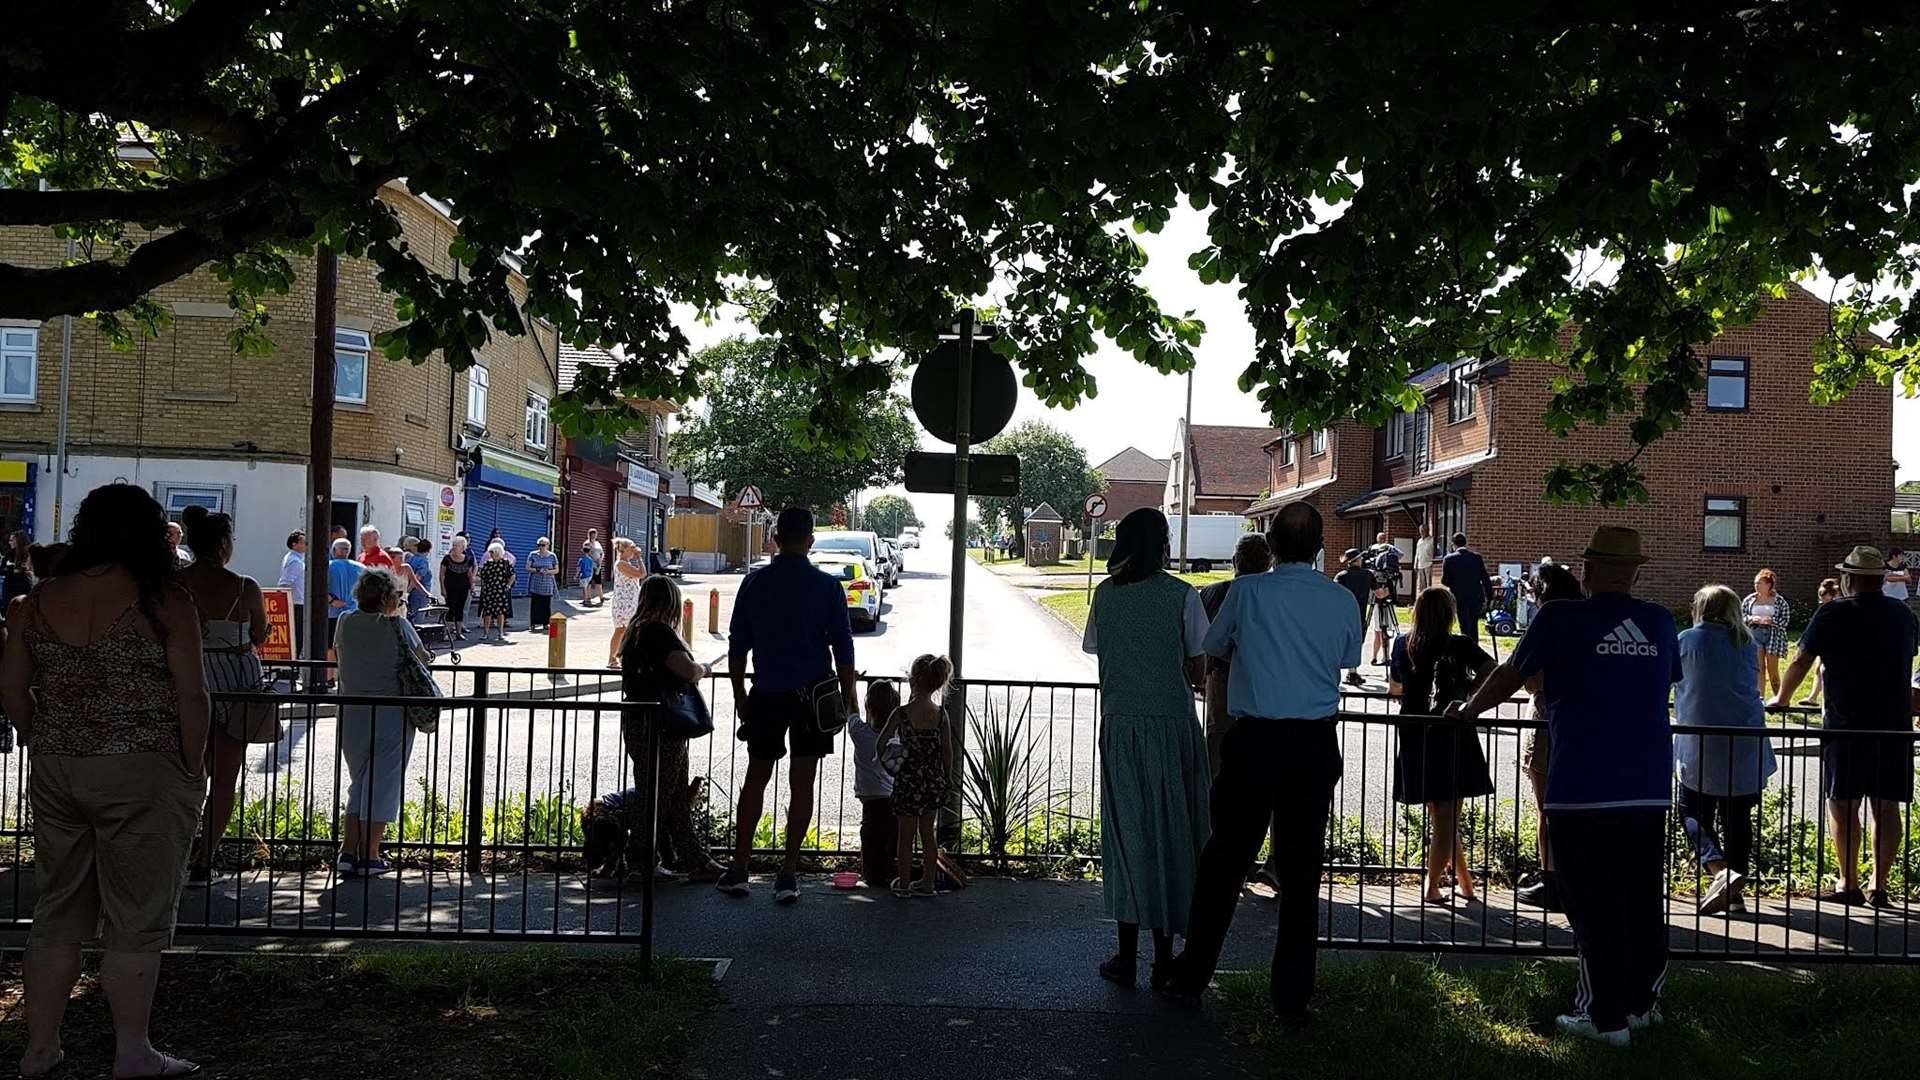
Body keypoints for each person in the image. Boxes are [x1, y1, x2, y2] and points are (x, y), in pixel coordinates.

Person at [0, 483, 208, 1080]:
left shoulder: (33, 604)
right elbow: (192, 695)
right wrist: (191, 766)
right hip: (145, 769)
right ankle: (132, 1051)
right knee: (136, 916)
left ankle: (39, 1049)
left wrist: (44, 735)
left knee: (58, 909)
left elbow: (12, 690)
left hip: (61, 768)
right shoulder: (164, 601)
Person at [1450, 526, 1679, 1047]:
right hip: (1646, 785)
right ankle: (1642, 1004)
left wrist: (1468, 711)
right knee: (1642, 899)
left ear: (1590, 569)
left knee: (1590, 903)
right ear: (1637, 571)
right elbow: (1664, 680)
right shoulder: (1659, 621)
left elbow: (1512, 673)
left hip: (1581, 784)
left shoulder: (1559, 618)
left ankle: (1604, 1017)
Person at [1162, 503, 1360, 1016]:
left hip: (1254, 739)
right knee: (1300, 872)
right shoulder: (1340, 599)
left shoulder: (1247, 592)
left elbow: (1214, 643)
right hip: (1313, 743)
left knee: (1224, 860)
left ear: (1270, 544)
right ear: (1320, 547)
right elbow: (1347, 659)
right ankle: (1292, 995)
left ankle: (1193, 974)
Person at [1083, 508, 1211, 986]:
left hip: (1121, 727)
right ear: (1161, 545)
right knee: (1173, 836)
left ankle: (1126, 955)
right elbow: (1196, 669)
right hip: (1173, 726)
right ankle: (1165, 955)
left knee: (1127, 836)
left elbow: (1098, 648)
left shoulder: (1105, 596)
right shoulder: (1182, 596)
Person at [720, 506, 859, 903]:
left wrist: (740, 696)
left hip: (766, 693)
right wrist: (847, 700)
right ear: (810, 541)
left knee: (756, 779)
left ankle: (741, 867)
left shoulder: (754, 583)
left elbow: (737, 646)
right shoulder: (828, 587)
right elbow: (844, 650)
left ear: (775, 539)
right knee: (803, 784)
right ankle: (787, 873)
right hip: (812, 699)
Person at [1770, 546, 1920, 908]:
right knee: (1886, 808)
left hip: (1845, 722)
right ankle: (1879, 886)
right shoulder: (1903, 615)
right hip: (1894, 723)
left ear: (1848, 579)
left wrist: (1782, 699)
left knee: (1843, 804)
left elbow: (1802, 659)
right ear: (1881, 579)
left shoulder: (1832, 613)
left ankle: (1847, 882)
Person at [177, 505, 270, 887]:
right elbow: (260, 635)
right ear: (222, 545)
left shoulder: (176, 584)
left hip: (189, 678)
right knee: (225, 778)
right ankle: (205, 858)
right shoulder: (243, 586)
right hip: (235, 684)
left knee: (185, 773)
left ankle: (176, 852)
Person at [1675, 584, 1777, 916]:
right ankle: (1735, 897)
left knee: (1691, 810)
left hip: (1701, 739)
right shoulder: (1746, 642)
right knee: (1738, 818)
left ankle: (1719, 870)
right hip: (1745, 738)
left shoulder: (1686, 641)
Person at [1390, 586, 1496, 905]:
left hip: (1414, 730)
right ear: (1449, 614)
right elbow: (1492, 670)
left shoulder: (1402, 644)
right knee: (1449, 812)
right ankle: (1432, 885)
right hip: (1451, 729)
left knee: (1442, 813)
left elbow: (1396, 687)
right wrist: (1469, 693)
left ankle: (1465, 883)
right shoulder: (1460, 645)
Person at [618, 574, 726, 881]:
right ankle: (639, 861)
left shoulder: (635, 632)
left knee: (674, 793)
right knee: (657, 795)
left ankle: (692, 858)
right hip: (662, 725)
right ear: (672, 602)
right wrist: (704, 668)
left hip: (640, 721)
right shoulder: (658, 632)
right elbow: (686, 670)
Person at [329, 567, 428, 876]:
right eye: (397, 595)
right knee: (383, 784)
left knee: (359, 782)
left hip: (352, 713)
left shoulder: (345, 622)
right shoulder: (399, 626)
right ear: (387, 597)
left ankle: (348, 851)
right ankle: (370, 854)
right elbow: (422, 657)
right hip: (391, 713)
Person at [1514, 562, 1583, 912]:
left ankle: (1552, 880)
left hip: (1546, 720)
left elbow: (1527, 679)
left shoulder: (1546, 623)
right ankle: (1577, 880)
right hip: (1583, 724)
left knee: (1547, 809)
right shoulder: (1588, 622)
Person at [880, 654, 956, 899]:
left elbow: (881, 743)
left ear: (912, 679)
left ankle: (903, 884)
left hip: (908, 782)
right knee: (927, 833)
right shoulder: (941, 714)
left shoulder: (901, 714)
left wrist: (892, 760)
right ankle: (928, 882)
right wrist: (947, 776)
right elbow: (947, 750)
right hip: (933, 782)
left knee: (905, 835)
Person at [1199, 533, 1272, 773]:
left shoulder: (1210, 593)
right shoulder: (1273, 596)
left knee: (1218, 739)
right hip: (1263, 680)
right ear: (1269, 563)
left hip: (1220, 678)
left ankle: (1213, 798)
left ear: (1234, 560)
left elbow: (1202, 639)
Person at [848, 679, 901, 888]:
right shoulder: (896, 737)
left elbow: (852, 708)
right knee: (891, 837)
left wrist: (852, 684)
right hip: (893, 798)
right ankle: (890, 872)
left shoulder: (860, 734)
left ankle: (873, 874)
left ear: (869, 706)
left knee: (871, 838)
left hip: (870, 802)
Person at [1742, 569, 1792, 698]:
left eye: (1760, 583)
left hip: (1773, 636)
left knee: (1773, 671)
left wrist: (1772, 621)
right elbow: (1741, 617)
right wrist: (1752, 619)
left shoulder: (1779, 601)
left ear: (1769, 585)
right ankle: (1761, 699)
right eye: (1755, 583)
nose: (1756, 586)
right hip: (1755, 634)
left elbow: (1785, 621)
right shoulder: (1749, 599)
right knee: (1759, 669)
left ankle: (1780, 699)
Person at [1440, 532, 1491, 645]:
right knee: (1474, 624)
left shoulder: (1449, 559)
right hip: (1475, 596)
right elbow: (1485, 578)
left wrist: (1454, 584)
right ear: (1465, 543)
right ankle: (1474, 646)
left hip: (1459, 596)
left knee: (1464, 624)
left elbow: (1444, 580)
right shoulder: (1476, 558)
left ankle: (1467, 647)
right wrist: (1489, 596)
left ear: (1453, 544)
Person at [1798, 577, 1841, 706]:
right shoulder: (1826, 608)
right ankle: (1813, 697)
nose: (1822, 601)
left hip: (1835, 643)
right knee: (1819, 669)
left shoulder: (1838, 608)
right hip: (1824, 640)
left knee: (1827, 670)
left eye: (1824, 597)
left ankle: (1824, 697)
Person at [1334, 547, 1374, 687]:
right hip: (1360, 614)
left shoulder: (1341, 576)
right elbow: (1380, 593)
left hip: (1343, 614)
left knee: (1343, 641)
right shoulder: (1368, 575)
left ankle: (1347, 672)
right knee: (1357, 641)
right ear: (1356, 560)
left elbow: (1335, 595)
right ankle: (1353, 671)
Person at [606, 537, 646, 667]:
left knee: (626, 629)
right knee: (621, 629)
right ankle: (613, 658)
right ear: (624, 550)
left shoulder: (625, 563)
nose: (633, 551)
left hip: (629, 600)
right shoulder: (621, 564)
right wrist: (639, 558)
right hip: (624, 602)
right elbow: (642, 573)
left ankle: (622, 656)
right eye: (631, 548)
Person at [1365, 531, 1402, 665]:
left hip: (1382, 601)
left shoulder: (1391, 550)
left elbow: (1400, 554)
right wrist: (1390, 590)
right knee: (1380, 630)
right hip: (1380, 600)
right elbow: (1380, 593)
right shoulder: (1373, 549)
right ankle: (1378, 657)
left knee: (1380, 630)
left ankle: (1383, 657)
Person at [440, 535, 477, 640]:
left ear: (463, 548)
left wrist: (472, 586)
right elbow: (442, 574)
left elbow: (469, 575)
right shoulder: (447, 559)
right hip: (450, 588)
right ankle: (446, 633)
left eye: (457, 546)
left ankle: (459, 633)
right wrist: (442, 588)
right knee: (450, 609)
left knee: (460, 609)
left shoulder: (468, 560)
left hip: (463, 588)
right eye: (454, 545)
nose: (454, 547)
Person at [477, 541, 515, 640]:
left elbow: (512, 575)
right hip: (489, 591)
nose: (490, 554)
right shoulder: (488, 563)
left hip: (501, 591)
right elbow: (482, 576)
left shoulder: (505, 563)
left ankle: (500, 633)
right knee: (487, 612)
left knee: (500, 612)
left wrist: (508, 586)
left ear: (498, 552)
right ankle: (485, 633)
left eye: (492, 552)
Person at [278, 530, 307, 658]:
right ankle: (291, 667)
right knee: (297, 637)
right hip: (296, 604)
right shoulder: (295, 561)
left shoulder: (296, 559)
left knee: (298, 637)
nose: (306, 544)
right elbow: (285, 583)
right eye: (303, 542)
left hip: (298, 603)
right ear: (294, 544)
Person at [526, 537, 559, 631]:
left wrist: (548, 571)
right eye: (539, 545)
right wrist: (537, 570)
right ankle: (533, 623)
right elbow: (528, 567)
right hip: (535, 582)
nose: (541, 547)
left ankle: (545, 623)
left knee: (546, 604)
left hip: (547, 583)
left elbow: (556, 570)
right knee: (535, 604)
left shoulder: (552, 556)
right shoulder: (533, 554)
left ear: (548, 546)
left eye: (543, 545)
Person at [404, 537, 436, 623]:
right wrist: (407, 592)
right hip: (420, 594)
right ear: (429, 550)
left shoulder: (411, 559)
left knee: (409, 617)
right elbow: (417, 578)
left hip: (411, 593)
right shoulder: (423, 562)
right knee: (418, 619)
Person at [1, 529, 32, 609]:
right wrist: (12, 571)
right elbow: (2, 570)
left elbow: (27, 570)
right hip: (9, 587)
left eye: (12, 540)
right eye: (9, 540)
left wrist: (16, 570)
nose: (9, 542)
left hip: (22, 586)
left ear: (18, 541)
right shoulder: (8, 555)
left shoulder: (26, 555)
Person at [584, 527, 606, 605]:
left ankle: (601, 597)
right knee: (589, 582)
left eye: (594, 534)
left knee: (598, 581)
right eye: (592, 534)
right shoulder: (587, 543)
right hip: (590, 566)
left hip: (598, 566)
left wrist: (600, 559)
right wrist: (594, 560)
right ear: (589, 535)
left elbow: (602, 553)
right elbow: (586, 553)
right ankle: (588, 598)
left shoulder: (598, 543)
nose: (593, 536)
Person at [1413, 524, 1434, 593]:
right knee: (1422, 585)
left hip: (1429, 564)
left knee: (1428, 584)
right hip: (1420, 565)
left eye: (1424, 530)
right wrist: (1415, 564)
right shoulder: (1419, 541)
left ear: (1428, 531)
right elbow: (1417, 553)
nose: (1422, 532)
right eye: (1421, 531)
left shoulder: (1432, 540)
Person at [578, 541, 600, 606]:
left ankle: (585, 600)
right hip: (589, 575)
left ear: (583, 551)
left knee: (584, 588)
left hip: (583, 575)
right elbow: (592, 567)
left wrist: (576, 575)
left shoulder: (581, 559)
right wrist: (592, 575)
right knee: (586, 587)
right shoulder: (590, 559)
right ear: (589, 552)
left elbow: (579, 568)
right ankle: (586, 599)